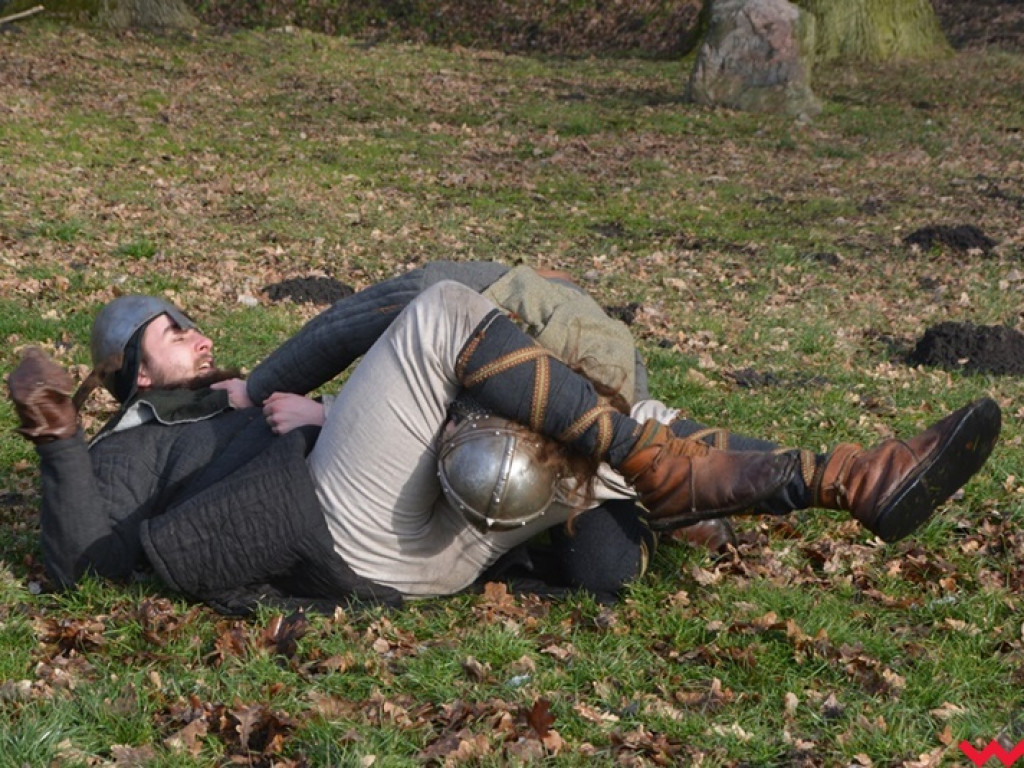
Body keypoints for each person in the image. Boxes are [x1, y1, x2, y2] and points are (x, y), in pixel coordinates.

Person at [7, 261, 1002, 615]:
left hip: (428, 538)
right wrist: (56, 437)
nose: (202, 335)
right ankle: (665, 481)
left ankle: (848, 476)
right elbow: (84, 562)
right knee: (442, 309)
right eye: (174, 331)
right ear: (134, 370)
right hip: (343, 529)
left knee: (613, 424)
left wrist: (318, 415)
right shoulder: (141, 432)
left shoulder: (239, 401)